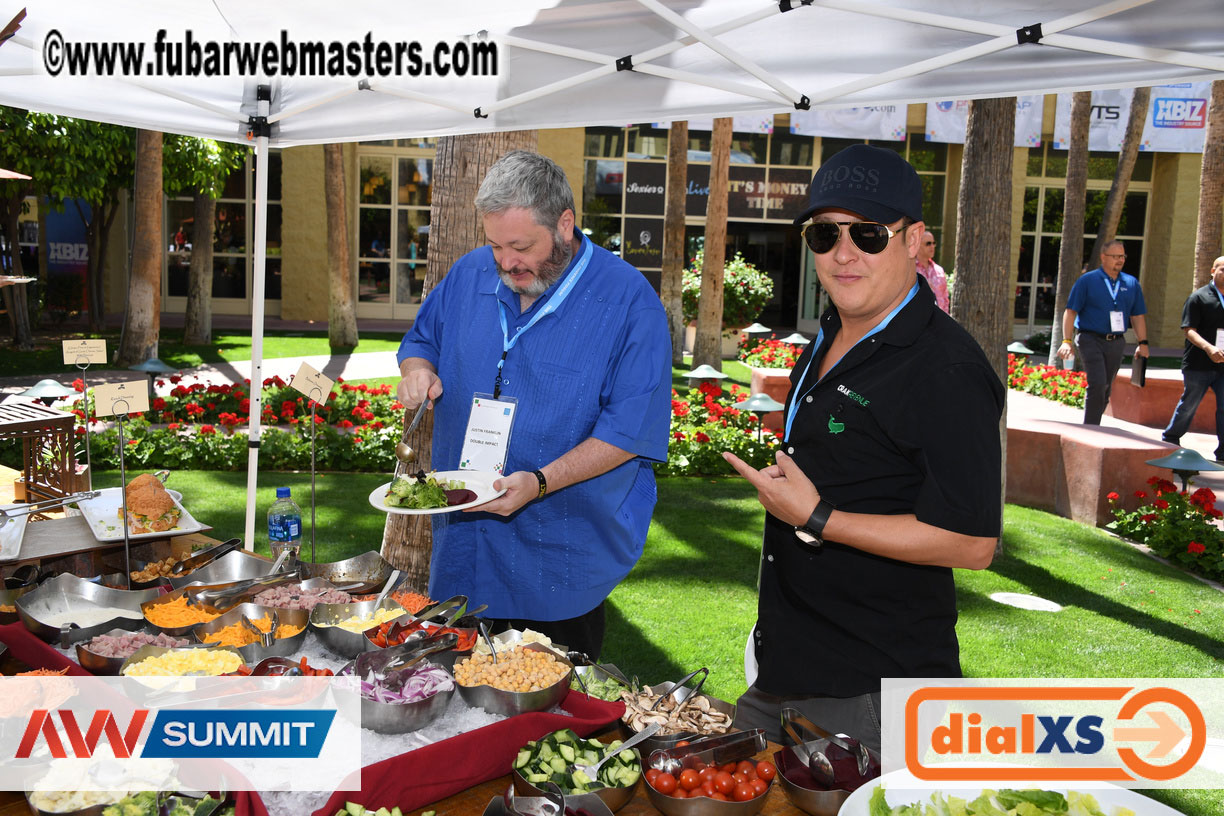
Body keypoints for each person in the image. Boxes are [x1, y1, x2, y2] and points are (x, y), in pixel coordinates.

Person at [722, 144, 1004, 752]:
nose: (842, 253)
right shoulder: (828, 330)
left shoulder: (945, 368)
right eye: (824, 234)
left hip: (873, 693)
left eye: (868, 234)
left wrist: (819, 518)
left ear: (913, 240)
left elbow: (973, 543)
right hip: (787, 669)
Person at [395, 150, 671, 658]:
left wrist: (541, 482)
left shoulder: (629, 300)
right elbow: (421, 341)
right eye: (496, 244)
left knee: (543, 711)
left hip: (557, 559)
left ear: (565, 224)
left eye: (521, 246)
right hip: (463, 547)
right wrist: (418, 371)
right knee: (456, 698)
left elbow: (629, 430)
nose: (505, 262)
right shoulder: (469, 273)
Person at [1057, 241, 1150, 425]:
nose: (1120, 260)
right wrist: (1066, 340)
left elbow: (1137, 315)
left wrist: (1143, 343)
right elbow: (1071, 311)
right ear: (1103, 257)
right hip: (1090, 338)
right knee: (1098, 383)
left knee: (1106, 387)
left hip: (1116, 342)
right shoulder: (1087, 281)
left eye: (1122, 256)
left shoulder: (1131, 283)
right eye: (1115, 256)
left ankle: (1094, 424)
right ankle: (1090, 428)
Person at [1162, 257, 1224, 459]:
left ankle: (1223, 451)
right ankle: (1170, 439)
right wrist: (1208, 348)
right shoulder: (1199, 297)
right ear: (1213, 271)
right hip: (1199, 363)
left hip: (1223, 365)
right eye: (1223, 269)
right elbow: (1188, 330)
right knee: (1189, 404)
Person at [915, 229, 949, 312]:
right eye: (928, 244)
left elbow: (945, 300)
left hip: (939, 321)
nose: (932, 246)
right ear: (918, 245)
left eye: (934, 243)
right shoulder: (910, 270)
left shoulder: (939, 270)